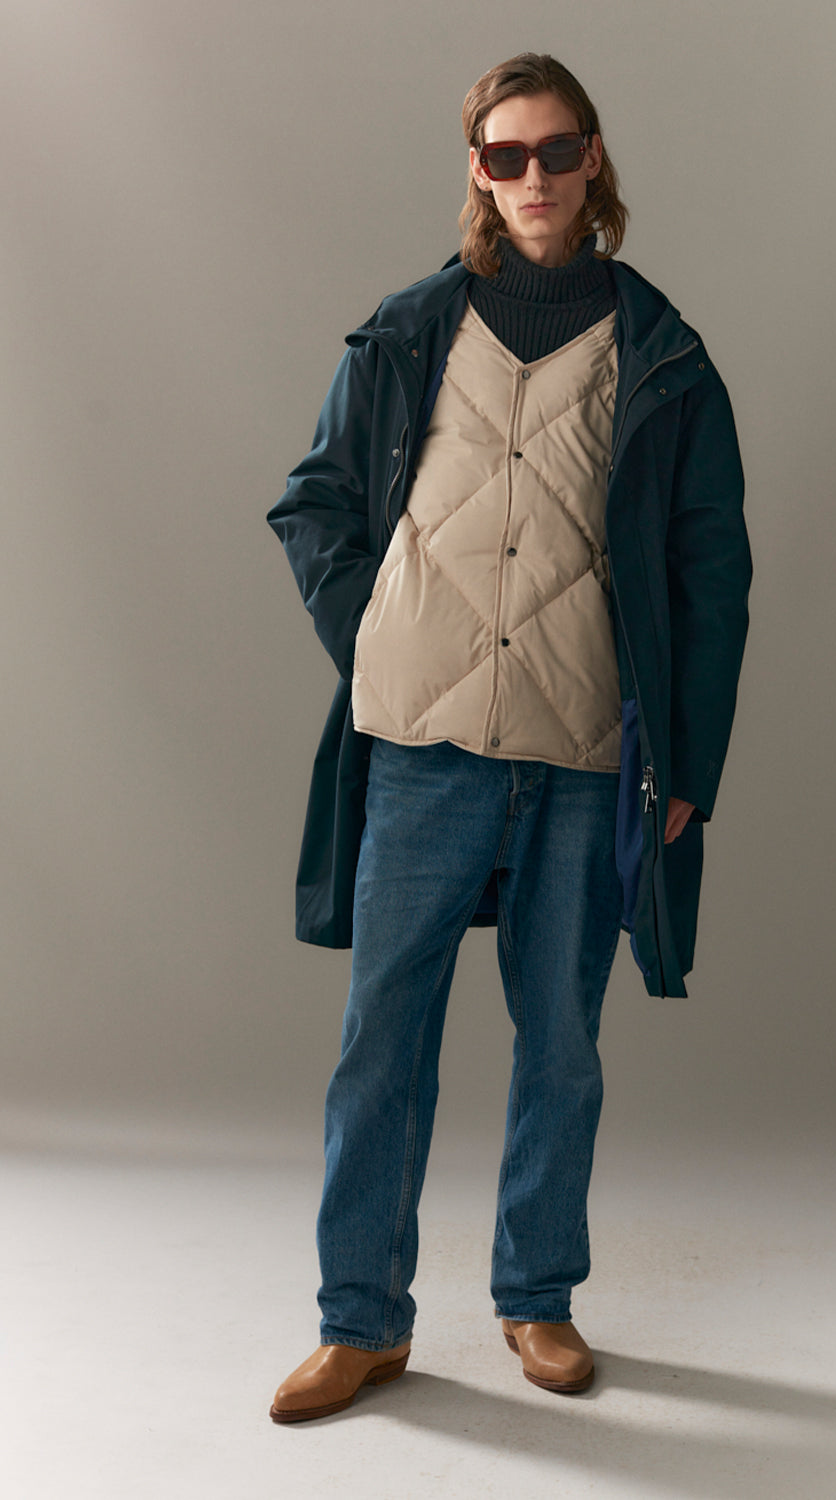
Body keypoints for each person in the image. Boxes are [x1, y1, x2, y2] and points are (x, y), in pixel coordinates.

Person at [266, 52, 751, 1423]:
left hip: (587, 754)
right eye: (504, 155)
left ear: (595, 161)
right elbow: (313, 502)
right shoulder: (408, 332)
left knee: (561, 1043)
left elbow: (711, 571)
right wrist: (381, 633)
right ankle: (361, 1321)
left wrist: (688, 764)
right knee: (382, 1040)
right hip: (423, 753)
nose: (533, 177)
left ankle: (538, 1298)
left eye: (557, 150)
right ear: (477, 173)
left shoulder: (664, 354)